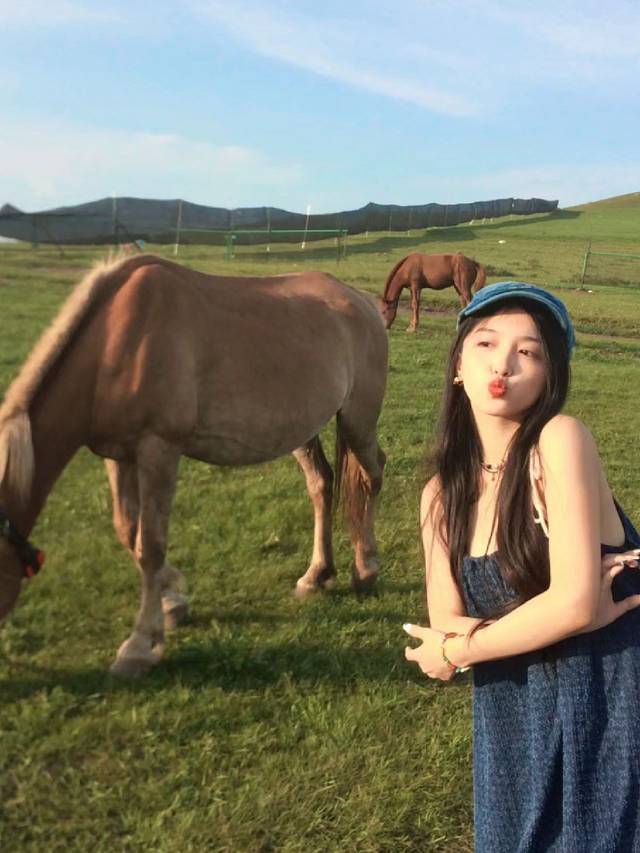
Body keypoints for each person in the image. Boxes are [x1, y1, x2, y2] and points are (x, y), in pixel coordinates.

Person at [403, 281, 640, 852]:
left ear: (549, 376)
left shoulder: (559, 441)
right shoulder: (441, 496)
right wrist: (562, 616)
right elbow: (446, 621)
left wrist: (457, 652)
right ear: (457, 365)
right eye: (485, 344)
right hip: (510, 710)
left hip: (606, 697)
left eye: (528, 351)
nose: (503, 364)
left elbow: (571, 605)